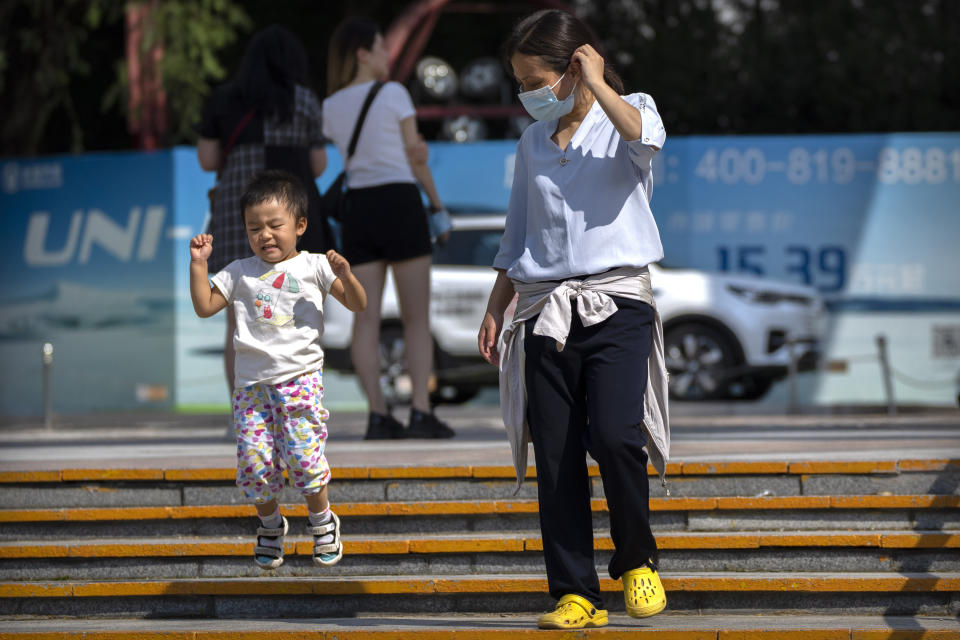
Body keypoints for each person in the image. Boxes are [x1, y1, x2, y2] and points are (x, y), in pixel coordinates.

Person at [477, 9, 671, 630]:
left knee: (616, 435)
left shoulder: (628, 108)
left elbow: (646, 140)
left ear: (572, 70)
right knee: (556, 455)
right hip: (543, 311)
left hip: (618, 304)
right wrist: (495, 305)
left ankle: (637, 561)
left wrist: (601, 84)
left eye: (535, 80)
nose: (527, 95)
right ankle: (574, 591)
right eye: (519, 83)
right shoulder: (531, 142)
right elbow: (517, 233)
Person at [189, 169, 366, 570]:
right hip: (251, 388)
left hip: (300, 382)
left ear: (300, 225)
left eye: (274, 225)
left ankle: (322, 521)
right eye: (255, 228)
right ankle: (270, 526)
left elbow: (358, 304)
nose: (265, 235)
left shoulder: (316, 266)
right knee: (254, 466)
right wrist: (198, 264)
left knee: (304, 461)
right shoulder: (238, 272)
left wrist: (346, 277)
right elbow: (204, 307)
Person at [323, 17, 453, 440]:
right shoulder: (394, 93)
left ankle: (377, 415)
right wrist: (436, 205)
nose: (386, 55)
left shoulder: (330, 106)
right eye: (381, 47)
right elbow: (416, 158)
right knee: (417, 319)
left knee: (366, 321)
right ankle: (420, 411)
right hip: (400, 201)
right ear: (363, 53)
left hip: (358, 206)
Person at [197, 25, 331, 398]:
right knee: (296, 314)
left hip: (239, 220)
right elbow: (318, 165)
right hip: (289, 222)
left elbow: (208, 159)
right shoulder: (303, 100)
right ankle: (297, 402)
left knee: (237, 319)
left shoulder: (225, 99)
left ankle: (241, 409)